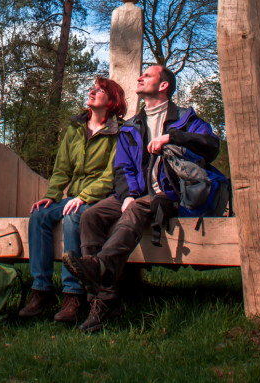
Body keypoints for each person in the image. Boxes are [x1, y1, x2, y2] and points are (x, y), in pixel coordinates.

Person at [63, 64, 220, 333]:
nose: (140, 77)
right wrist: (127, 196)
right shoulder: (131, 126)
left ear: (163, 86)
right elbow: (122, 168)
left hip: (170, 194)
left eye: (147, 75)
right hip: (136, 194)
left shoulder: (186, 118)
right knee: (92, 215)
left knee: (135, 211)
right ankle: (104, 300)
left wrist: (173, 137)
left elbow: (212, 146)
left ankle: (99, 276)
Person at [18, 77, 127, 323]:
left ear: (111, 101)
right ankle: (41, 290)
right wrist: (51, 196)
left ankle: (73, 294)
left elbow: (111, 176)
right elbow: (62, 170)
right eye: (92, 88)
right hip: (73, 197)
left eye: (99, 90)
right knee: (39, 215)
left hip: (98, 199)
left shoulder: (118, 133)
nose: (92, 91)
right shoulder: (74, 130)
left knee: (73, 216)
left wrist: (83, 197)